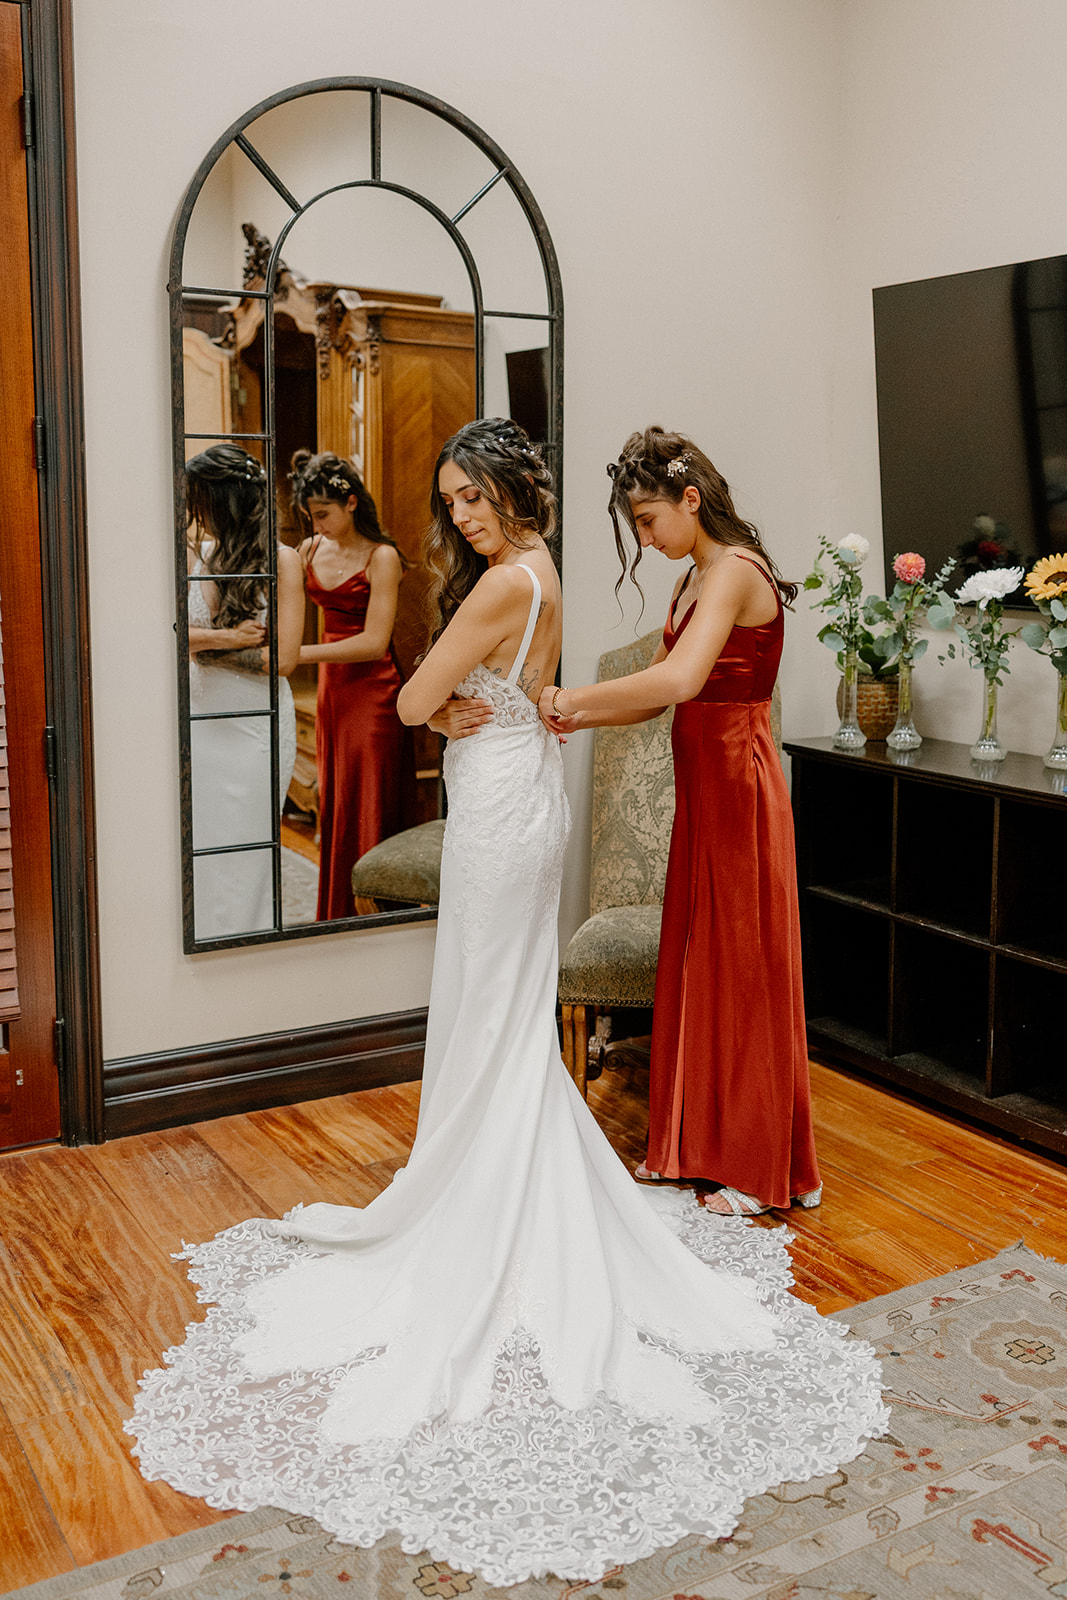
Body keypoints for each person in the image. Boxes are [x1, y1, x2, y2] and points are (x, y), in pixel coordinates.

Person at [128, 420, 885, 1586]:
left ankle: (499, 1189)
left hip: (520, 803)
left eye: (474, 495)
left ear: (513, 493)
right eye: (450, 499)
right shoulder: (549, 575)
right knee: (506, 1011)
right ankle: (606, 1153)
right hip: (528, 793)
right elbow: (512, 692)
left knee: (490, 1010)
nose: (462, 514)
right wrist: (521, 704)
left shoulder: (512, 582)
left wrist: (481, 702)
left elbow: (427, 693)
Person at [540, 426, 821, 1218]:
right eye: (635, 523)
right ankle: (703, 1144)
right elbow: (665, 696)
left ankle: (762, 1166)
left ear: (690, 500)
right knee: (703, 958)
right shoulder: (692, 577)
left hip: (739, 781)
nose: (643, 535)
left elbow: (682, 674)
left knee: (742, 964)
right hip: (704, 784)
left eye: (647, 518)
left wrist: (568, 699)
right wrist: (579, 723)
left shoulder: (733, 571)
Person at [186, 445, 303, 940]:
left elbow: (282, 659)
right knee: (204, 837)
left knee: (249, 841)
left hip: (255, 722)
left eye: (200, 502)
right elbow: (170, 636)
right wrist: (226, 641)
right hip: (202, 713)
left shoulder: (283, 561)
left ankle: (246, 938)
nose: (194, 514)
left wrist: (202, 648)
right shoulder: (203, 558)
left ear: (224, 501)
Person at [289, 452, 411, 921]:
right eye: (311, 516)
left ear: (352, 503)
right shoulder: (310, 551)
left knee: (369, 798)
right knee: (335, 797)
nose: (316, 524)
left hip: (373, 691)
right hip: (332, 692)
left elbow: (374, 642)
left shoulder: (383, 557)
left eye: (323, 514)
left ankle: (373, 912)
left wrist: (297, 655)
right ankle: (336, 911)